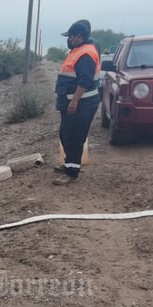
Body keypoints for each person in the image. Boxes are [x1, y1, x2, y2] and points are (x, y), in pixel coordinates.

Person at [53, 19, 100, 186]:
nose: (69, 39)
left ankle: (72, 173)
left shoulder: (85, 54)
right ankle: (68, 165)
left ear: (79, 36)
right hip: (73, 102)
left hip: (82, 104)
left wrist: (74, 101)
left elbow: (85, 81)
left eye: (71, 36)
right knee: (65, 135)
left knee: (74, 138)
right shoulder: (78, 50)